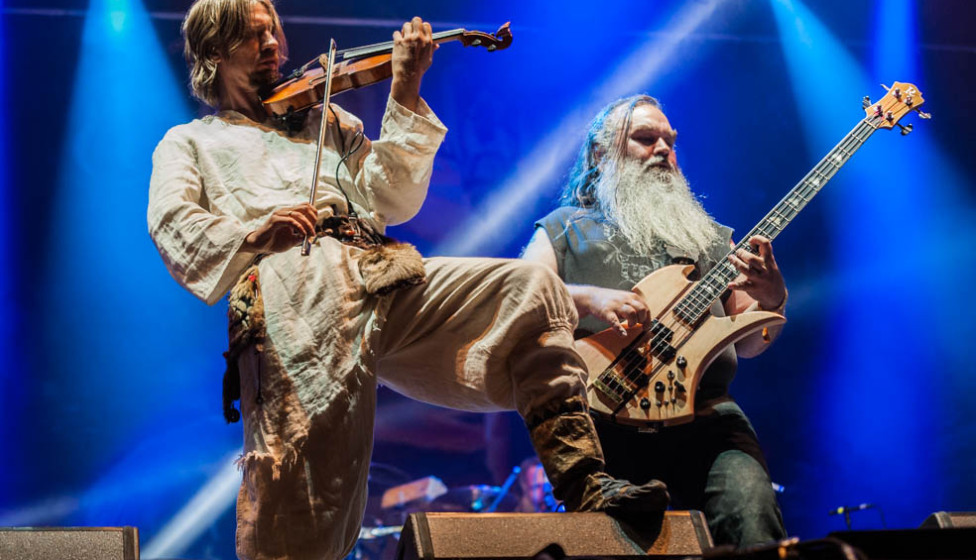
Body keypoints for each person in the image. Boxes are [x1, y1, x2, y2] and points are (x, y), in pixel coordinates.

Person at [148, 3, 668, 559]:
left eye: (271, 30)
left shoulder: (328, 121)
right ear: (214, 52)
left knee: (529, 289)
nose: (274, 44)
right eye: (253, 37)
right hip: (294, 293)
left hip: (378, 271)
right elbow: (173, 225)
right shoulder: (190, 143)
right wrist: (256, 233)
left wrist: (405, 87)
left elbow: (392, 198)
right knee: (305, 489)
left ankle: (584, 479)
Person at [521, 94, 788, 548]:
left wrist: (772, 297)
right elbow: (519, 299)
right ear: (601, 154)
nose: (663, 149)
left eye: (670, 141)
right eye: (646, 139)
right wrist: (588, 298)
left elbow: (750, 342)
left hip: (710, 418)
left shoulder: (706, 235)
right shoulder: (565, 228)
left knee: (754, 520)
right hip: (606, 423)